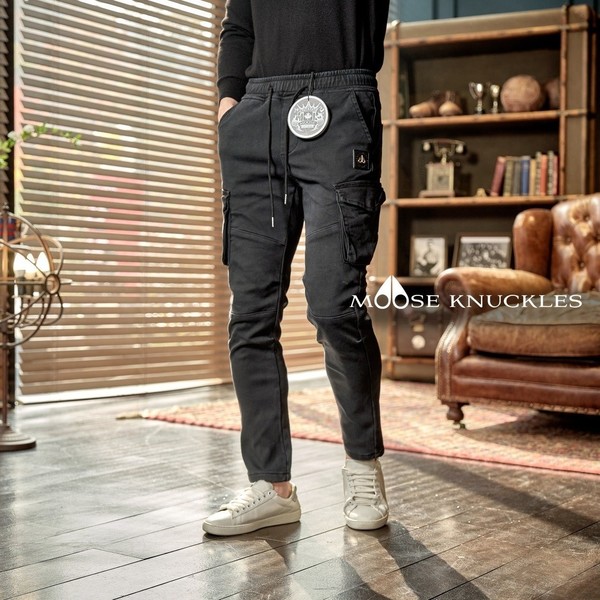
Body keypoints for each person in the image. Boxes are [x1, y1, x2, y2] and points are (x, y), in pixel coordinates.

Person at [203, 0, 391, 537]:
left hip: (341, 102)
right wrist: (229, 101)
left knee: (335, 305)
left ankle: (362, 463)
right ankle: (272, 485)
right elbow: (239, 25)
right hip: (255, 115)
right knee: (251, 314)